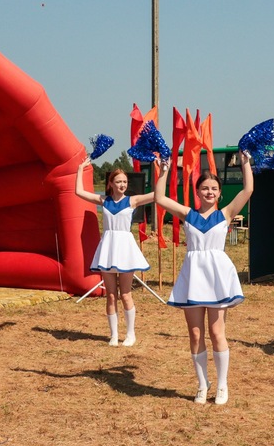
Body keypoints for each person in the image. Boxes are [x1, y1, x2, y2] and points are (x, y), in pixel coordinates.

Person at [155, 152, 252, 406]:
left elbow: (248, 190)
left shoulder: (227, 213)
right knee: (195, 334)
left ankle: (222, 385)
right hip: (194, 277)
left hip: (217, 278)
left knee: (217, 332)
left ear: (220, 193)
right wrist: (164, 171)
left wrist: (245, 163)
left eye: (214, 189)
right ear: (197, 192)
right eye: (205, 188)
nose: (210, 192)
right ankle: (202, 383)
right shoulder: (188, 214)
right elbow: (160, 198)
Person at [74, 158, 154, 347]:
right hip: (108, 249)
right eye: (118, 181)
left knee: (125, 294)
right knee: (110, 295)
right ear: (110, 183)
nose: (122, 185)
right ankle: (113, 335)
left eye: (124, 182)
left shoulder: (132, 200)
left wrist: (162, 169)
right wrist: (80, 169)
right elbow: (78, 192)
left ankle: (130, 334)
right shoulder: (103, 200)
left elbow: (157, 195)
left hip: (125, 249)